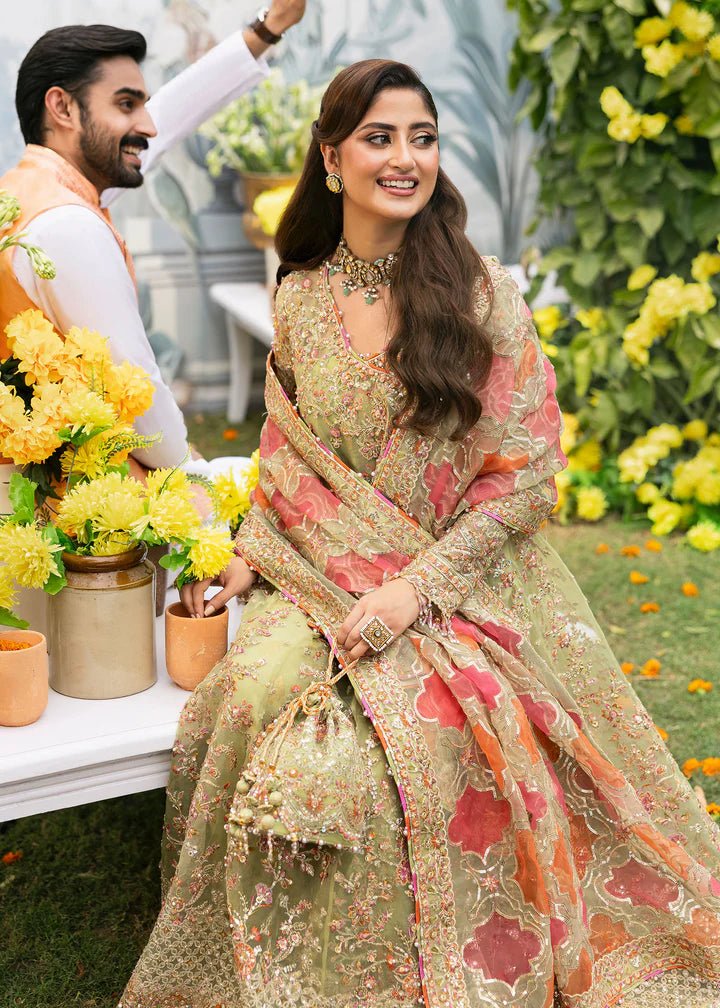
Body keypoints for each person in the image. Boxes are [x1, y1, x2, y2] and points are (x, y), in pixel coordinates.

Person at [121, 60, 720, 1008]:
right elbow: (288, 459)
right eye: (380, 137)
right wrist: (247, 554)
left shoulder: (478, 295)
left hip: (464, 579)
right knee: (243, 699)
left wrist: (413, 592)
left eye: (423, 137)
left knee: (418, 745)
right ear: (331, 159)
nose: (406, 158)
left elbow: (524, 477)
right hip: (316, 572)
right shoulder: (302, 296)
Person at [0, 3, 306, 469]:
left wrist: (267, 29)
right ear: (62, 107)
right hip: (65, 510)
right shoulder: (69, 225)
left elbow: (166, 118)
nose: (149, 124)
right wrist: (189, 471)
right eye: (127, 104)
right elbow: (138, 397)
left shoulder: (27, 193)